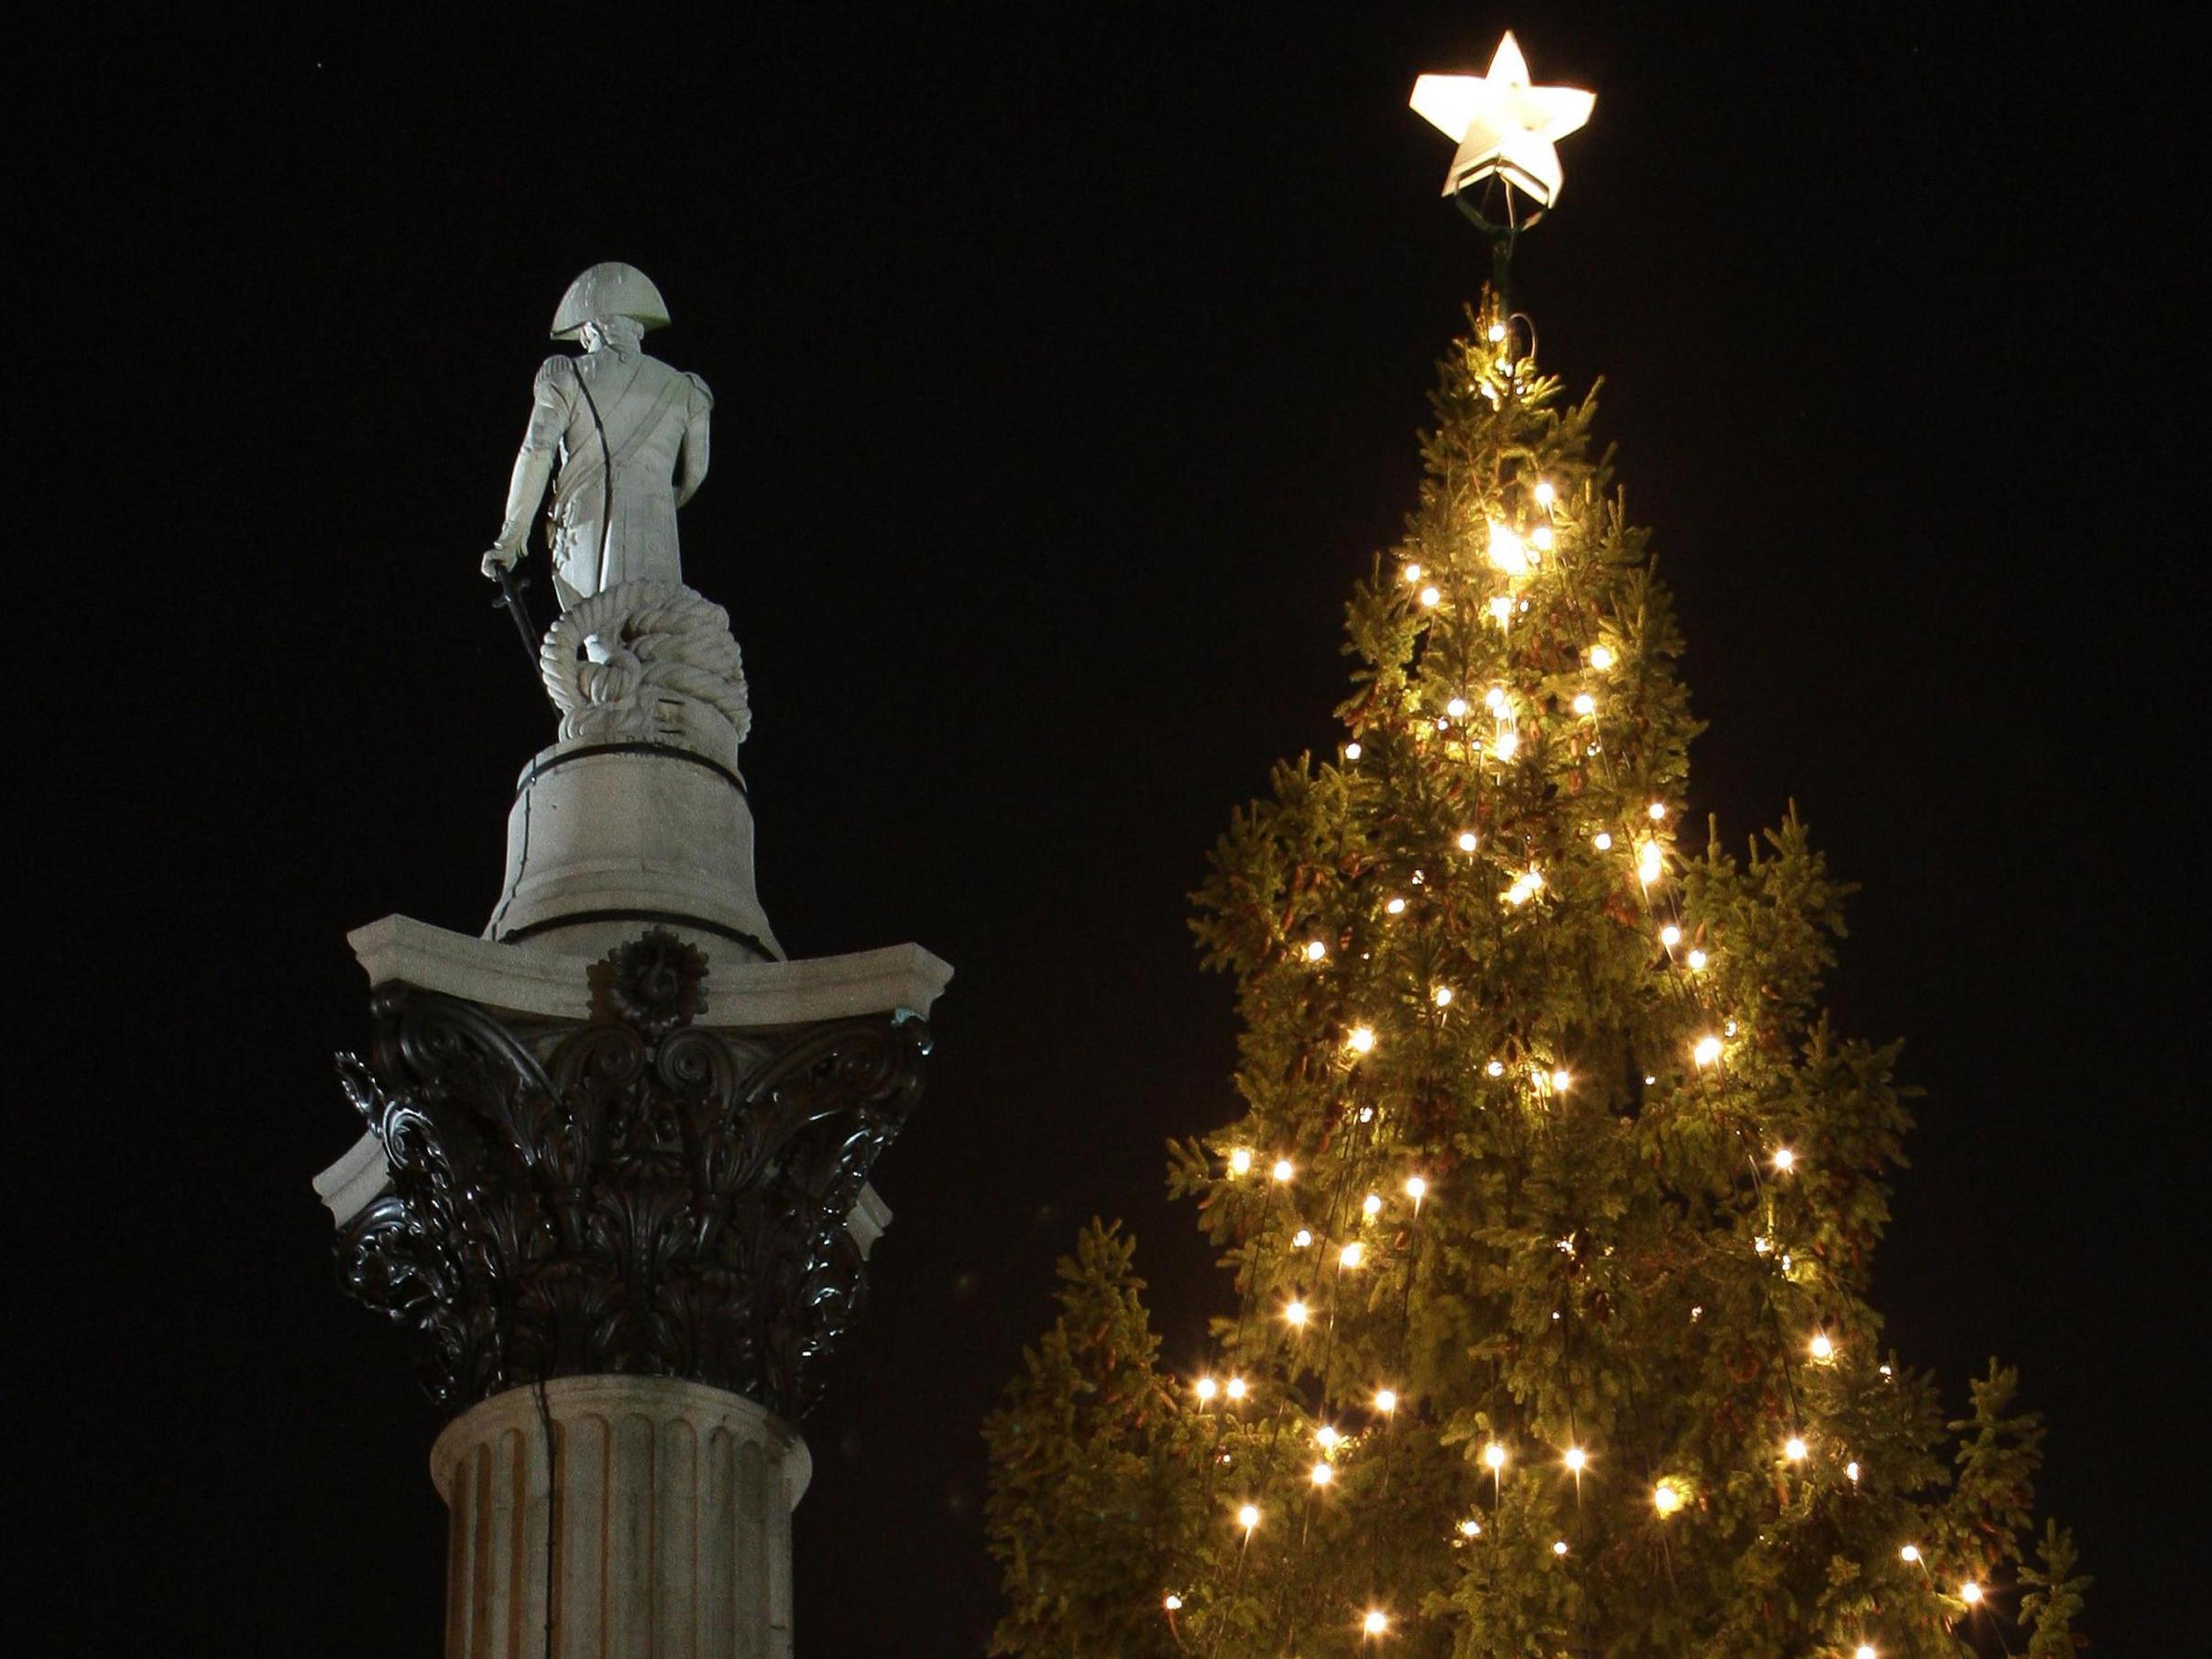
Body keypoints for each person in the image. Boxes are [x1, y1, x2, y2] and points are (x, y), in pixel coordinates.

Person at [482, 263, 713, 608]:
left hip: (586, 526)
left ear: (593, 329)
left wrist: (510, 540)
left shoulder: (567, 377)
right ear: (636, 329)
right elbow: (695, 475)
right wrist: (665, 496)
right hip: (657, 533)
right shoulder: (685, 389)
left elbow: (536, 452)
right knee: (656, 643)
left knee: (600, 644)